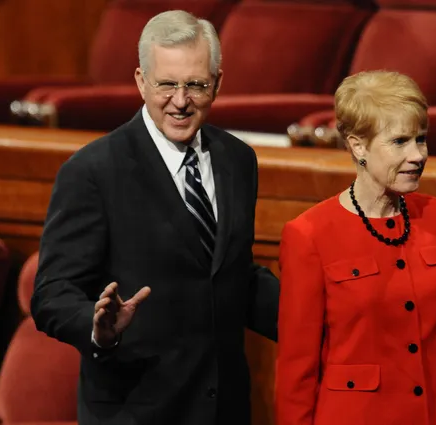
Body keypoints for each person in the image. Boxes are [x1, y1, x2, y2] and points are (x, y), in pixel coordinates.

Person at [30, 10, 279, 425]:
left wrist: (317, 319)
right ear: (141, 81)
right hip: (137, 410)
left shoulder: (238, 160)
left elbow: (232, 275)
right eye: (166, 84)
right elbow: (52, 294)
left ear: (217, 83)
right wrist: (98, 328)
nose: (180, 101)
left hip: (224, 409)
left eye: (196, 85)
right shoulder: (93, 170)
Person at [275, 70, 436, 425]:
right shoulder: (309, 235)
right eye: (400, 141)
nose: (417, 154)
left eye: (420, 139)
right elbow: (297, 371)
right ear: (359, 145)